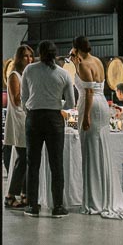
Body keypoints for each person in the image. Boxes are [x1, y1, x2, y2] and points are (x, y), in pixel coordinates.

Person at [72, 37, 123, 220]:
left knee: (90, 152)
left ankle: (94, 200)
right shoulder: (97, 61)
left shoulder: (83, 65)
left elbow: (88, 91)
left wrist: (85, 116)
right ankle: (103, 194)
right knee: (100, 149)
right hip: (102, 105)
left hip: (91, 105)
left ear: (75, 48)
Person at [20, 40, 76, 217]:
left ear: (39, 53)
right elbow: (71, 103)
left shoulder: (29, 70)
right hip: (54, 119)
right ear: (55, 54)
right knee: (56, 163)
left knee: (33, 163)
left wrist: (30, 107)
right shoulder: (64, 74)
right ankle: (58, 206)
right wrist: (56, 104)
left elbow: (24, 97)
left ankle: (32, 205)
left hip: (34, 117)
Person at [3, 44, 33, 209]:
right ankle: (10, 195)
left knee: (27, 159)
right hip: (20, 119)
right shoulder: (15, 75)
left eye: (30, 56)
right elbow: (16, 100)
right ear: (19, 58)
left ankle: (24, 193)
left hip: (27, 117)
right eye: (25, 56)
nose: (28, 59)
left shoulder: (27, 75)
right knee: (22, 159)